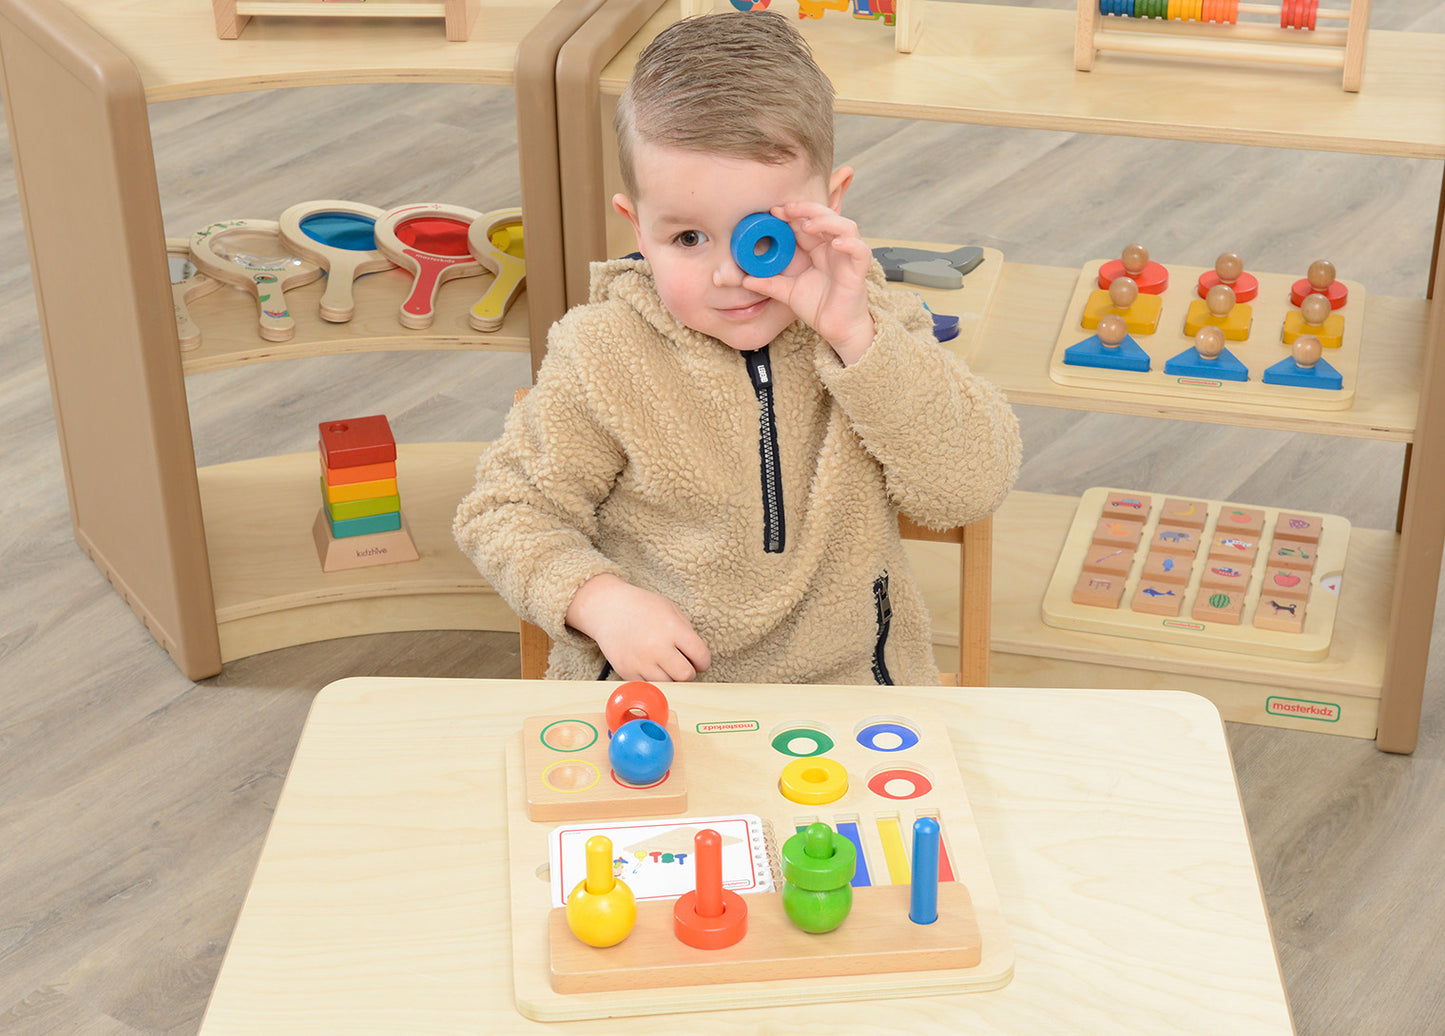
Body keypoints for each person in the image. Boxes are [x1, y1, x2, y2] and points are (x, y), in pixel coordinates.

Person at [454, 11, 1020, 685]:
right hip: (662, 700)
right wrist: (600, 604)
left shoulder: (875, 324)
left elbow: (969, 487)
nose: (729, 274)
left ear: (831, 204)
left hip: (851, 699)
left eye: (762, 234)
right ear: (635, 226)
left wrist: (856, 341)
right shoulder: (602, 351)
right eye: (687, 239)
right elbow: (502, 511)